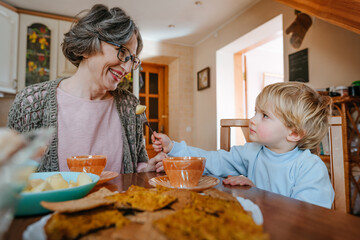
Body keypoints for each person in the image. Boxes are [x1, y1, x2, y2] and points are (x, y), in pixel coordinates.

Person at [7, 4, 165, 174]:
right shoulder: (31, 103)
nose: (127, 69)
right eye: (122, 51)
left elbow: (137, 166)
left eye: (132, 59)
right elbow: (9, 173)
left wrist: (149, 168)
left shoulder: (129, 105)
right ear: (88, 46)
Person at [152, 82, 334, 208]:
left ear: (294, 133)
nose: (252, 119)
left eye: (264, 115)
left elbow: (308, 216)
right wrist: (174, 148)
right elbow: (214, 160)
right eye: (256, 112)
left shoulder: (310, 168)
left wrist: (256, 192)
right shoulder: (252, 151)